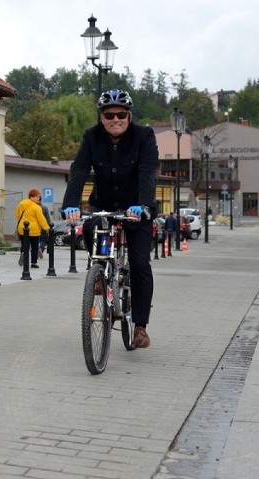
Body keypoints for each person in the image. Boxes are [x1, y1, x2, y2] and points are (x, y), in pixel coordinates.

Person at [60, 89, 158, 348]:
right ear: (101, 117)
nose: (116, 119)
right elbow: (79, 169)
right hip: (103, 204)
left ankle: (139, 326)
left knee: (139, 263)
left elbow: (148, 172)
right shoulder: (91, 137)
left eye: (121, 114)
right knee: (92, 227)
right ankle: (100, 274)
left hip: (137, 208)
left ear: (129, 115)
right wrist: (71, 204)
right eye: (109, 114)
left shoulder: (144, 136)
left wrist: (144, 205)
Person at [15, 189, 50, 269]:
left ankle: (23, 253)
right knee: (34, 246)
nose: (39, 198)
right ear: (32, 197)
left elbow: (17, 214)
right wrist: (46, 228)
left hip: (23, 229)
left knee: (24, 244)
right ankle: (34, 262)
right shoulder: (36, 207)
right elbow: (41, 219)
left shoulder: (21, 204)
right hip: (34, 230)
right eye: (37, 196)